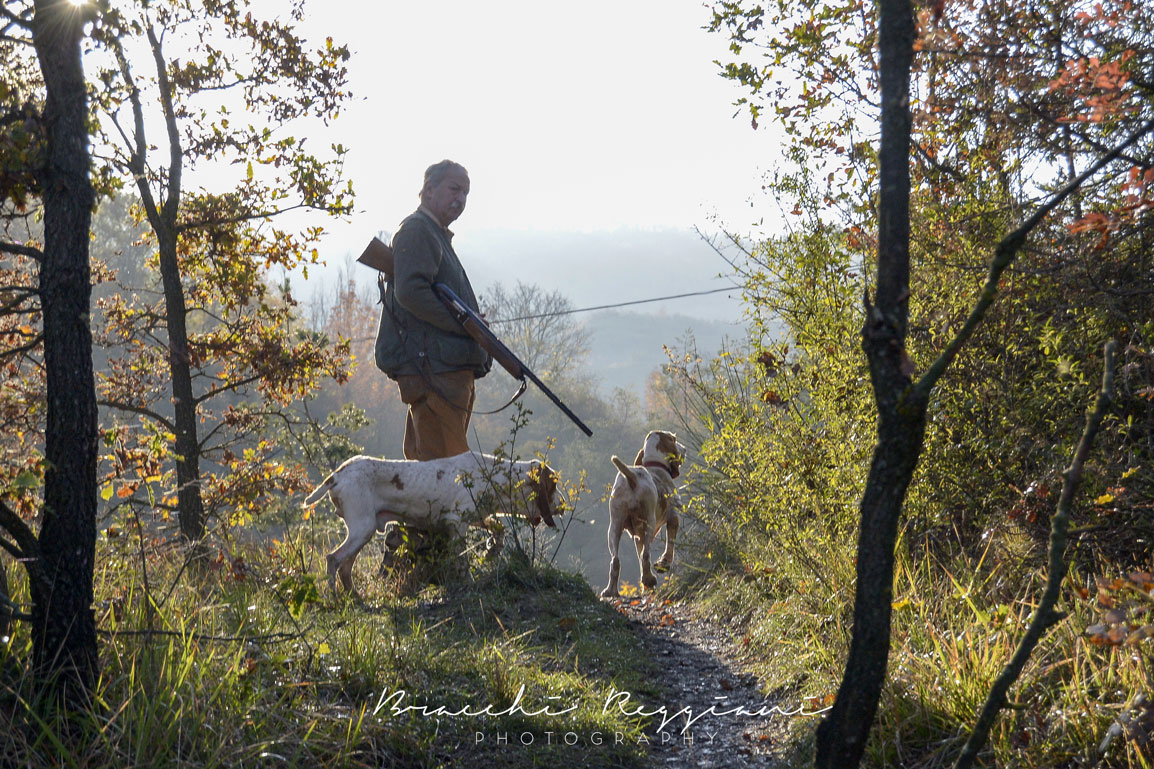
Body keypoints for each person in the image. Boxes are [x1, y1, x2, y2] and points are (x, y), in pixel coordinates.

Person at [375, 160, 492, 461]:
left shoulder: (433, 232)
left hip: (442, 369)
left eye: (465, 193)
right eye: (454, 189)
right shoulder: (418, 230)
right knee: (445, 470)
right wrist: (464, 323)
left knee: (431, 467)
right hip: (436, 371)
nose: (461, 199)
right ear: (429, 190)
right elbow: (410, 292)